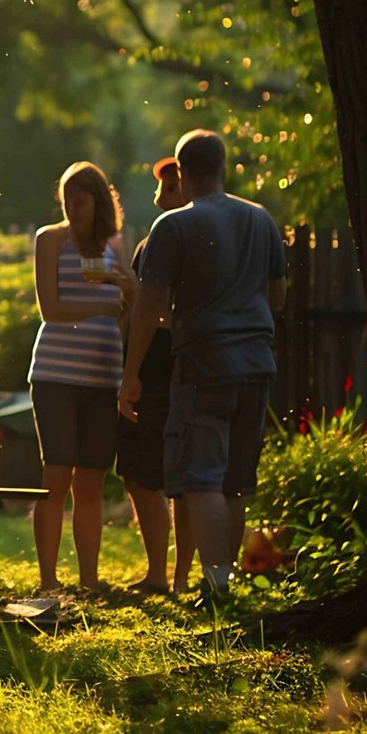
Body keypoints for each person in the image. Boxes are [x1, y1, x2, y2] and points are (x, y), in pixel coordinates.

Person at [121, 129, 286, 601]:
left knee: (201, 477)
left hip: (204, 364)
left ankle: (215, 586)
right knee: (235, 483)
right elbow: (278, 295)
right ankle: (227, 580)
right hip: (257, 364)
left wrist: (131, 374)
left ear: (183, 170)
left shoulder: (173, 226)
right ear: (223, 166)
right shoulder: (261, 219)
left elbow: (149, 304)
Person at [28, 161, 131, 595]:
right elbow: (49, 309)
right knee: (56, 477)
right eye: (67, 199)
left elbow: (131, 308)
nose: (73, 207)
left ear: (99, 201)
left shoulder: (113, 247)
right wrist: (103, 306)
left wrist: (127, 288)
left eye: (81, 199)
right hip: (56, 373)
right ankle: (49, 581)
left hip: (103, 375)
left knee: (90, 481)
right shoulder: (51, 240)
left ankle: (89, 580)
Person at [116, 156, 195, 594]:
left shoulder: (168, 240)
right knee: (156, 473)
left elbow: (152, 313)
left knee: (157, 473)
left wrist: (130, 371)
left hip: (161, 364)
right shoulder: (153, 243)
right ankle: (168, 574)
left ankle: (170, 575)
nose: (158, 197)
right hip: (172, 362)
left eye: (168, 188)